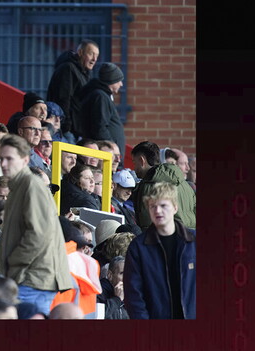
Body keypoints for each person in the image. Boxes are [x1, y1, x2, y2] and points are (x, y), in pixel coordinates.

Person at [0, 134, 72, 316]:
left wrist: (12, 262)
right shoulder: (20, 186)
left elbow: (38, 235)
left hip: (32, 278)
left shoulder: (31, 185)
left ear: (25, 160)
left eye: (9, 159)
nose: (4, 164)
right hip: (31, 276)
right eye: (1, 159)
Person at [123, 182, 196, 319]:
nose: (157, 211)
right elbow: (134, 296)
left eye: (163, 206)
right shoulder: (138, 248)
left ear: (175, 207)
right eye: (152, 206)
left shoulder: (194, 241)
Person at [130, 141, 196, 229]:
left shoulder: (148, 186)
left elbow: (147, 224)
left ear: (142, 161)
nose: (134, 168)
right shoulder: (186, 185)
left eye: (134, 163)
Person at [47, 39, 99, 137]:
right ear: (80, 52)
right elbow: (63, 98)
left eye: (97, 56)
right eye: (91, 54)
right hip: (69, 130)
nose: (94, 59)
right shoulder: (68, 69)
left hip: (77, 130)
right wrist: (66, 126)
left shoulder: (84, 73)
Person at [75, 62, 126, 153]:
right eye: (118, 81)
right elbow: (100, 127)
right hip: (106, 155)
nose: (121, 84)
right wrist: (111, 148)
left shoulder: (101, 96)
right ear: (112, 80)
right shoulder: (101, 97)